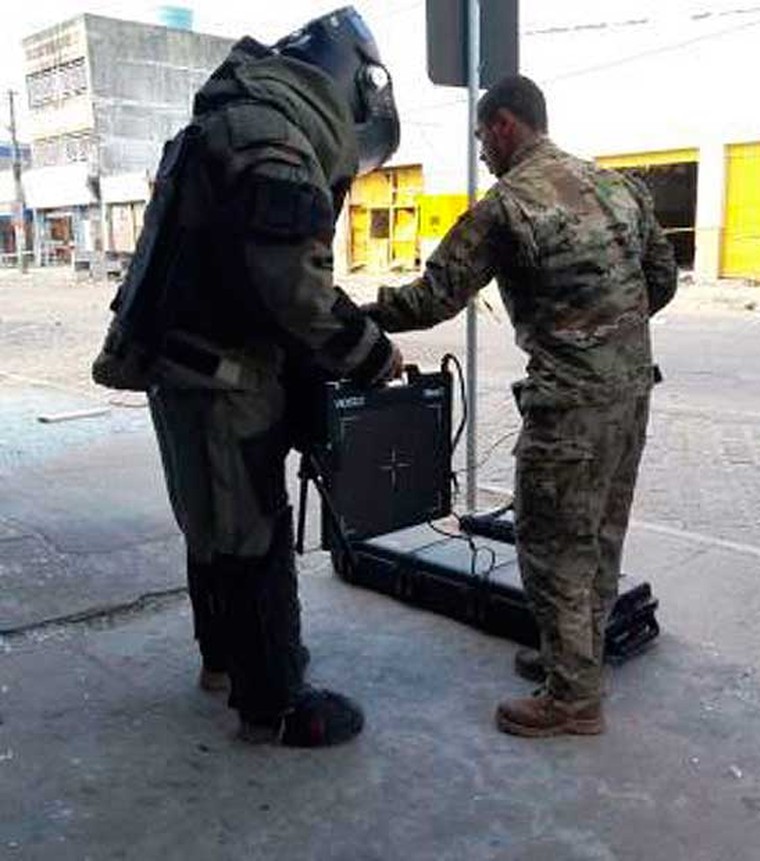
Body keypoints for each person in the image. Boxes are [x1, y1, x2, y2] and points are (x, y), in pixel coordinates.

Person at [93, 7, 402, 746]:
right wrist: (371, 352)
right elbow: (293, 285)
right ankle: (274, 701)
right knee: (251, 530)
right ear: (348, 89)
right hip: (222, 376)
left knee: (211, 521)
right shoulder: (271, 136)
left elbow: (253, 265)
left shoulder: (233, 120)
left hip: (189, 365)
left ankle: (224, 660)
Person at [363, 74, 677, 737]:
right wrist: (605, 331)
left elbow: (433, 298)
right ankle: (577, 657)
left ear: (505, 125)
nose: (481, 152)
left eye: (482, 137)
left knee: (551, 543)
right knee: (599, 535)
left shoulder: (508, 206)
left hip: (569, 405)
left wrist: (360, 314)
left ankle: (572, 699)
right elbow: (661, 279)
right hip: (630, 393)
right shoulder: (618, 187)